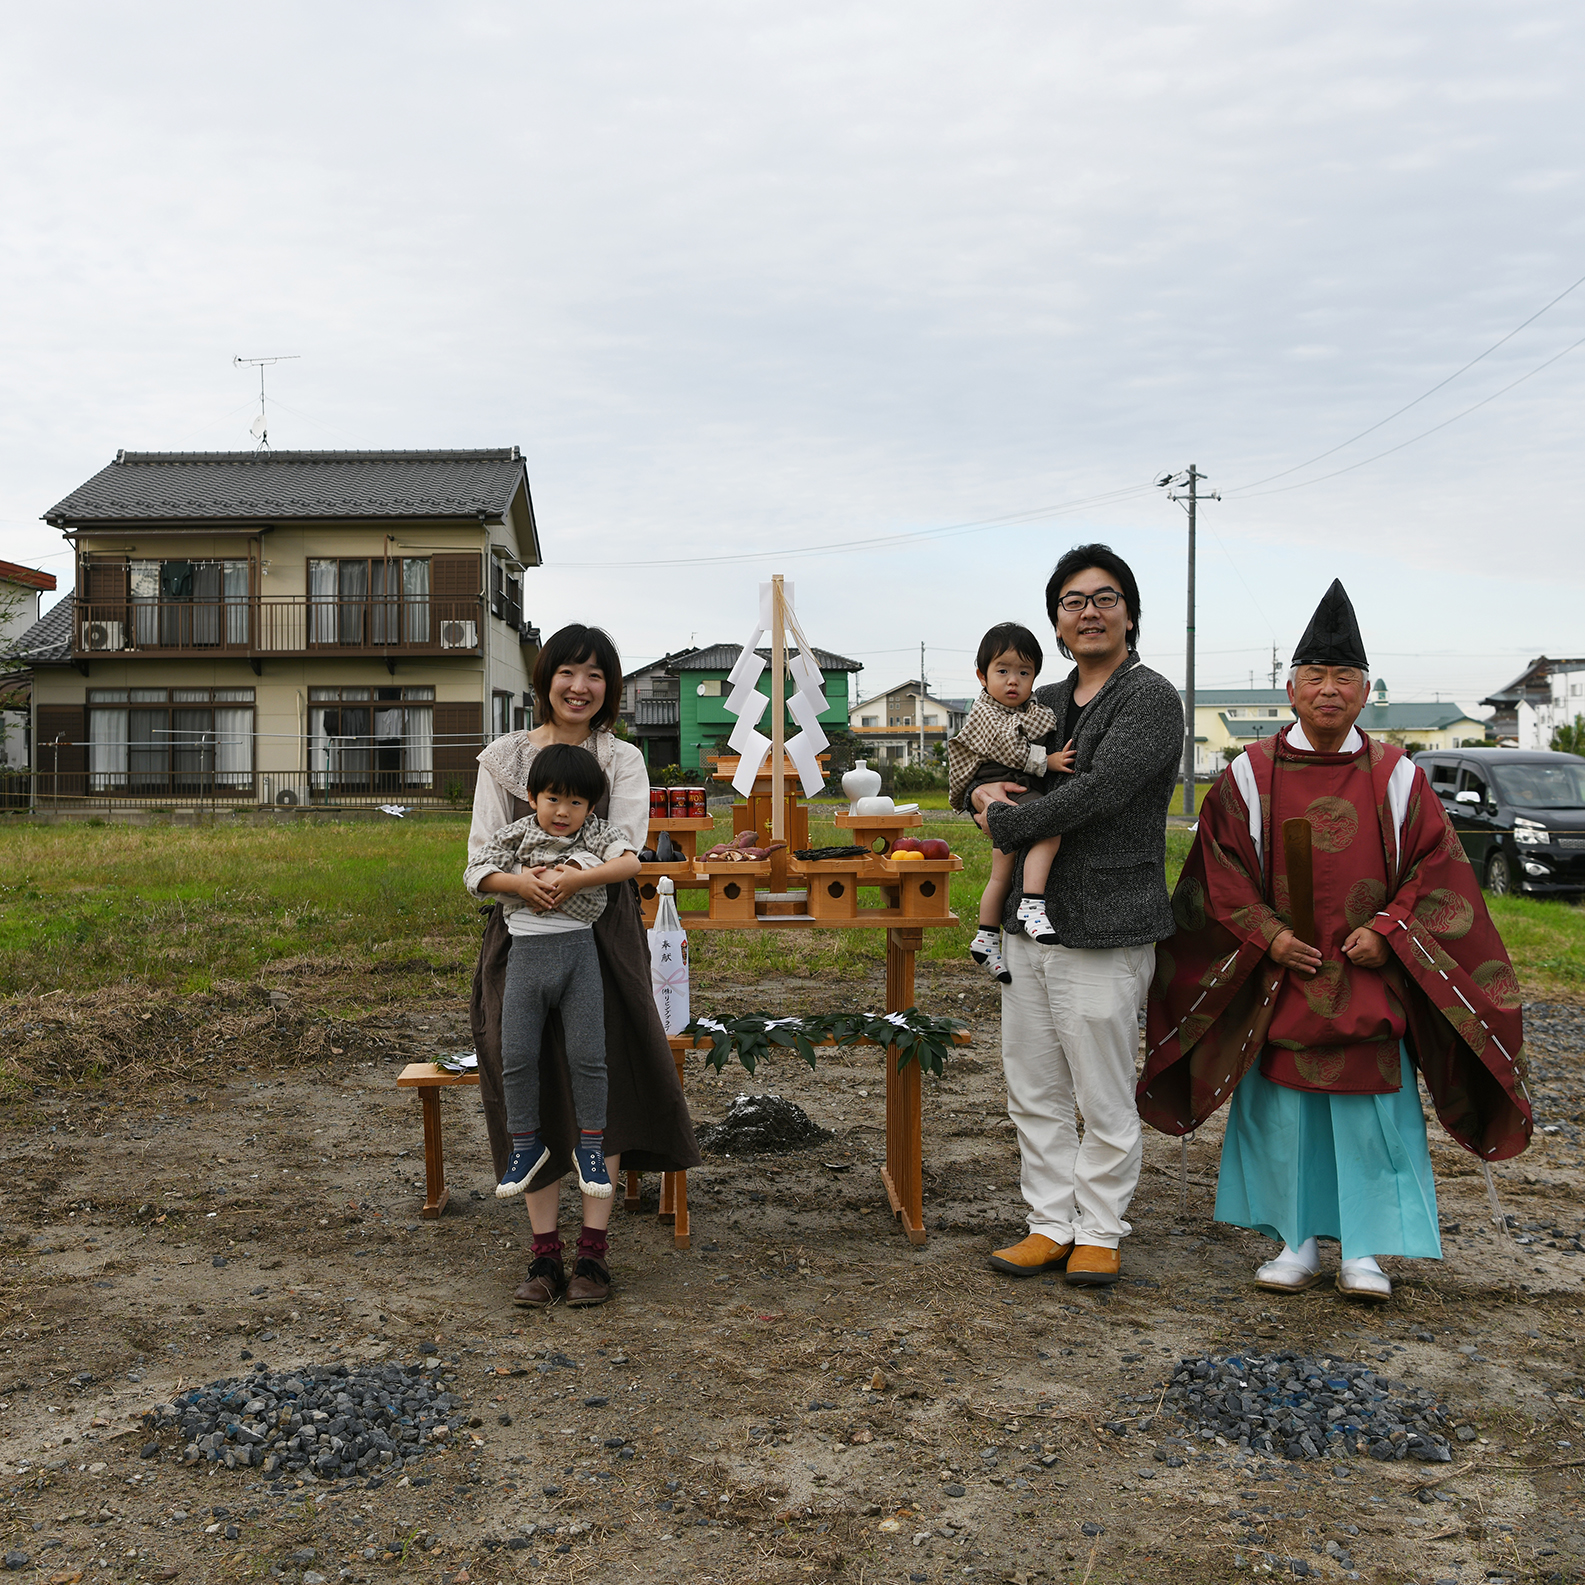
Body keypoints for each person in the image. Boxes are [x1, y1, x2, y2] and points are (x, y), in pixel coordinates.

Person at [1139, 580, 1531, 1300]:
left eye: (1342, 676)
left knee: (1369, 1122)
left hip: (1368, 981)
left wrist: (1388, 930)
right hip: (1278, 977)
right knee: (1283, 1117)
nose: (1327, 689)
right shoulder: (1247, 776)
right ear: (1289, 689)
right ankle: (1294, 1244)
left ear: (1364, 690)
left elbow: (1434, 869)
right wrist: (1270, 935)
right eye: (1314, 676)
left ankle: (1366, 1252)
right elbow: (1216, 875)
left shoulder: (1397, 778)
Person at [965, 545, 1184, 1287]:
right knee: (1033, 1081)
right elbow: (986, 765)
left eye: (1105, 597)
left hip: (1109, 920)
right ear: (1056, 620)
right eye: (1071, 600)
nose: (1088, 610)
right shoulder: (1040, 700)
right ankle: (1048, 1221)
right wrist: (977, 799)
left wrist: (1006, 824)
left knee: (1100, 1086)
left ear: (1128, 613)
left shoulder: (1148, 697)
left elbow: (1098, 791)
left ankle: (1098, 1227)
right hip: (1030, 923)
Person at [468, 624, 701, 1309]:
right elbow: (481, 854)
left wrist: (568, 880)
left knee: (610, 1072)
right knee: (528, 1077)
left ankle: (594, 1255)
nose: (579, 686)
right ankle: (543, 1255)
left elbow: (625, 843)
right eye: (568, 672)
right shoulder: (501, 759)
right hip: (519, 934)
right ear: (544, 680)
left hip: (604, 933)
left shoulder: (621, 758)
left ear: (610, 688)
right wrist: (522, 884)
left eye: (594, 675)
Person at [465, 743, 641, 1201]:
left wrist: (579, 877)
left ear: (590, 805)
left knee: (589, 1057)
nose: (563, 812)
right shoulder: (517, 834)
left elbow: (631, 861)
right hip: (525, 957)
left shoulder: (596, 834)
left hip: (580, 955)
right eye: (552, 799)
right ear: (531, 796)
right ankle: (525, 1144)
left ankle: (592, 1146)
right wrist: (518, 883)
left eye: (576, 802)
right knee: (517, 1055)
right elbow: (475, 872)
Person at [948, 622, 1074, 982]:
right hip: (1007, 782)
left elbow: (1035, 726)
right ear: (982, 676)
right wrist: (1047, 761)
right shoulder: (986, 711)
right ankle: (1033, 904)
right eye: (1002, 671)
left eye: (1024, 672)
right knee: (1048, 832)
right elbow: (1010, 748)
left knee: (1000, 871)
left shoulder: (1031, 709)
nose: (1013, 681)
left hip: (1003, 788)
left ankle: (986, 937)